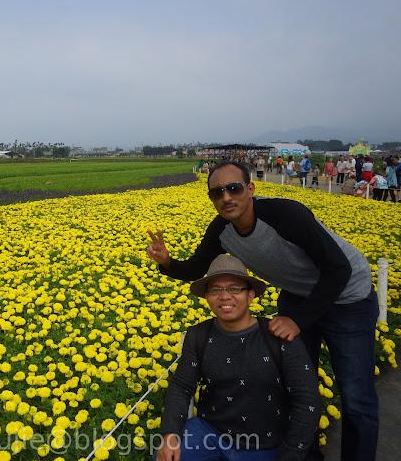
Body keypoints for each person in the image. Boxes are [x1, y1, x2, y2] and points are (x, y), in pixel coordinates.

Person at [147, 160, 379, 461]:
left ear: (250, 189)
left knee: (356, 396)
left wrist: (298, 320)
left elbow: (338, 268)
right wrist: (166, 262)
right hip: (299, 292)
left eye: (233, 188)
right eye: (217, 192)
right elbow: (196, 269)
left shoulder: (286, 215)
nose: (226, 197)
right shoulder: (222, 230)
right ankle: (306, 456)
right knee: (297, 386)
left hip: (349, 295)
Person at [156, 255, 320, 461]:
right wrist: (170, 433)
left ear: (250, 295)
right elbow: (181, 386)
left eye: (234, 288)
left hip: (265, 443)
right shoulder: (198, 335)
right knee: (166, 456)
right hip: (211, 432)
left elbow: (307, 401)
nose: (225, 296)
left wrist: (290, 456)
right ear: (206, 296)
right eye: (216, 290)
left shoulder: (279, 336)